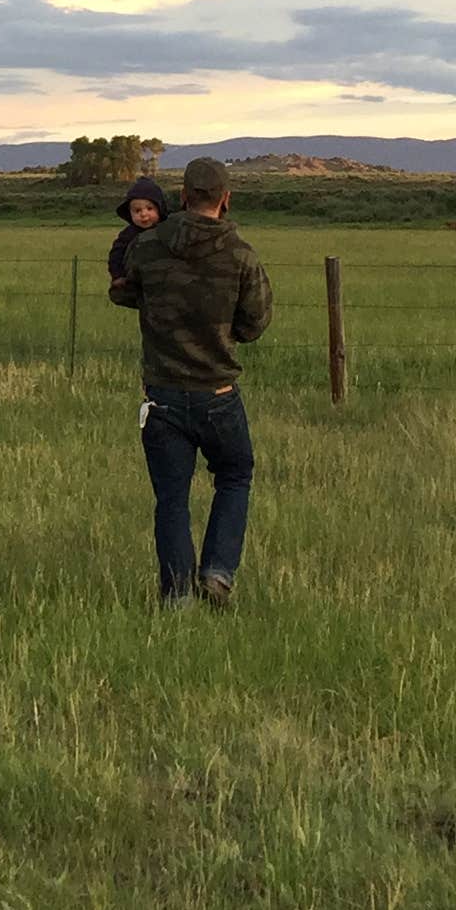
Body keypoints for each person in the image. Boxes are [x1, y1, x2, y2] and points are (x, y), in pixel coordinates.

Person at [108, 153, 272, 606]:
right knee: (235, 475)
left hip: (161, 395)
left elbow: (126, 292)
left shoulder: (148, 245)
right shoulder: (240, 253)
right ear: (226, 199)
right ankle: (217, 572)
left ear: (182, 196)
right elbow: (255, 324)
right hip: (217, 393)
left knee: (172, 499)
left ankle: (176, 595)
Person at [106, 175, 167, 284]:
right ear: (130, 213)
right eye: (137, 210)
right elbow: (116, 255)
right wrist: (118, 276)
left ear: (159, 209)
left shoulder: (168, 229)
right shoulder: (128, 235)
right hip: (136, 284)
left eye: (149, 208)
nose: (144, 214)